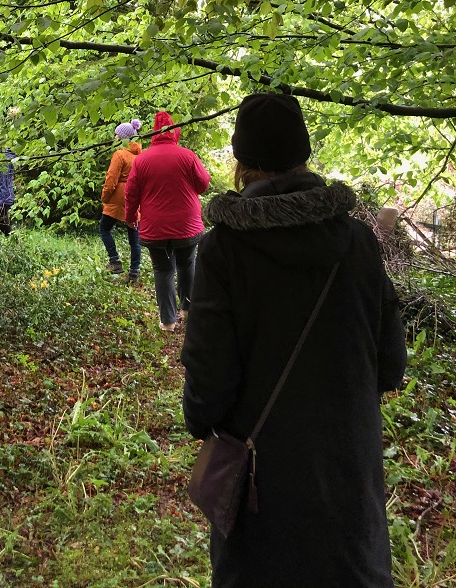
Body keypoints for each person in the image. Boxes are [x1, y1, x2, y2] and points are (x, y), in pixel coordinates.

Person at [181, 93, 407, 588]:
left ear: (242, 160)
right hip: (348, 476)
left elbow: (208, 384)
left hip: (263, 485)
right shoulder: (356, 241)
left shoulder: (223, 250)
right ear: (303, 153)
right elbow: (391, 364)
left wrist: (204, 420)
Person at [124, 110, 210, 331]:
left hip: (156, 228)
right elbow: (203, 185)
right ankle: (189, 311)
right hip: (187, 226)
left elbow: (131, 194)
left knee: (163, 271)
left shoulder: (141, 160)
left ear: (154, 133)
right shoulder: (187, 156)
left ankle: (169, 322)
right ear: (175, 131)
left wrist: (130, 217)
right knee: (187, 264)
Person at [99, 119, 143, 283]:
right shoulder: (140, 156)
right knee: (134, 238)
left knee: (104, 228)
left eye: (117, 135)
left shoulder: (120, 154)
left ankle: (115, 261)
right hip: (135, 198)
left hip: (119, 199)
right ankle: (134, 273)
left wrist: (105, 197)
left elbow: (111, 180)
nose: (115, 137)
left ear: (125, 138)